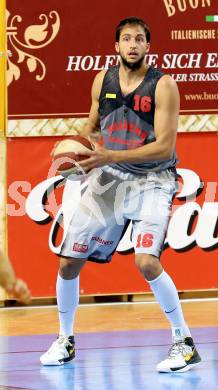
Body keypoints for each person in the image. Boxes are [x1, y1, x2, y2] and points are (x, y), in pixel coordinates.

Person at [40, 16, 201, 373]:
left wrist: (109, 155)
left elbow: (164, 147)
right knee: (68, 261)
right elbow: (93, 126)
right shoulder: (103, 80)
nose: (132, 44)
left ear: (148, 46)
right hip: (110, 179)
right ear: (116, 46)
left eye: (139, 39)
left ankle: (184, 342)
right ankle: (65, 340)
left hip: (153, 180)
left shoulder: (164, 86)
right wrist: (79, 153)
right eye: (126, 39)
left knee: (146, 262)